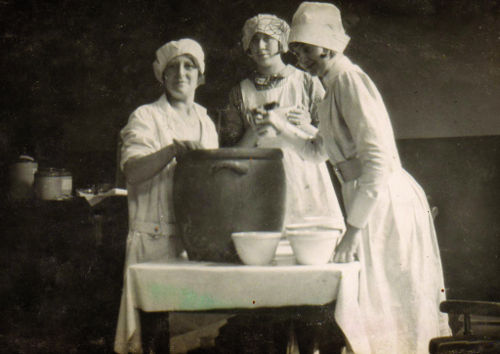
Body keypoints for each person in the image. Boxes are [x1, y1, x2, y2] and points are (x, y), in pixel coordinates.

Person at [257, 2, 451, 353]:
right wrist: (279, 127)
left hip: (383, 199)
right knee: (377, 304)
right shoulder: (331, 88)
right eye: (296, 49)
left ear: (327, 44)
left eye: (306, 48)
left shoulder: (349, 80)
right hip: (366, 196)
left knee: (390, 303)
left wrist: (352, 232)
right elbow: (318, 151)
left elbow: (377, 161)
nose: (300, 56)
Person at [114, 38, 219, 353]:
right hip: (153, 242)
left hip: (195, 244)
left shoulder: (205, 121)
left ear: (200, 76)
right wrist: (172, 150)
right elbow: (132, 171)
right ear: (161, 75)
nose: (181, 74)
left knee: (197, 335)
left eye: (189, 67)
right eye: (172, 68)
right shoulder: (146, 117)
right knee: (155, 335)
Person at [221, 13, 345, 228]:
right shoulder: (240, 93)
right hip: (262, 176)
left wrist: (307, 124)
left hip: (306, 174)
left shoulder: (307, 81)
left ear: (281, 42)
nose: (261, 46)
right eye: (254, 40)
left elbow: (329, 143)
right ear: (247, 47)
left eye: (267, 38)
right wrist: (254, 130)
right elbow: (233, 154)